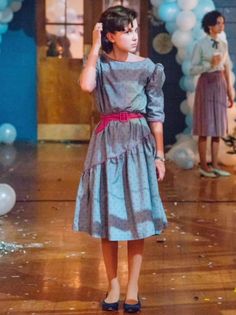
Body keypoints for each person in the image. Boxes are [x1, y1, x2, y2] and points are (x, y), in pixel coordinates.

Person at [73, 5, 167, 313]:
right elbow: (86, 85)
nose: (134, 36)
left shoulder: (148, 67)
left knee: (138, 220)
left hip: (138, 143)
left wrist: (160, 155)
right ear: (110, 36)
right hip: (107, 144)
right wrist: (94, 47)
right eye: (127, 31)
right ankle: (112, 287)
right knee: (110, 217)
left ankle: (133, 289)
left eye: (136, 30)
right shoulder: (99, 65)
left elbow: (156, 116)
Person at [190, 10, 235, 178]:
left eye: (223, 22)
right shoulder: (200, 44)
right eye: (218, 23)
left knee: (217, 127)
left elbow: (226, 68)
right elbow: (191, 69)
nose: (222, 25)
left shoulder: (223, 44)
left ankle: (215, 165)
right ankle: (204, 166)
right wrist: (209, 64)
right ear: (210, 25)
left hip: (220, 85)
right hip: (206, 84)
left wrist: (230, 93)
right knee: (205, 126)